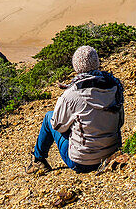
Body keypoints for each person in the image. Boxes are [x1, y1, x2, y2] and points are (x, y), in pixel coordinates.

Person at [30, 45, 124, 173]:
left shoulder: (72, 94)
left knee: (48, 117)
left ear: (76, 66)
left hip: (83, 162)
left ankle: (38, 160)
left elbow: (57, 126)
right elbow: (121, 122)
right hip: (112, 154)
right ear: (96, 62)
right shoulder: (114, 87)